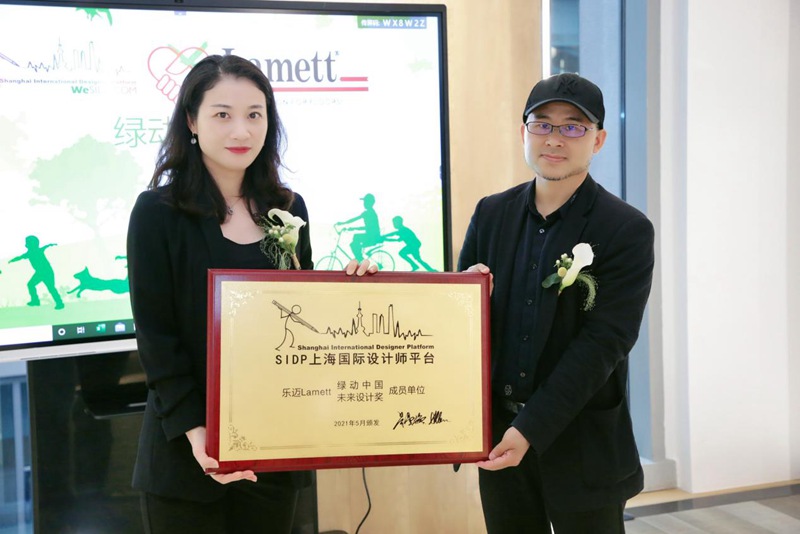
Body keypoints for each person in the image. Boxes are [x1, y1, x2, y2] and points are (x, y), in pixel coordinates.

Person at [127, 54, 376, 534]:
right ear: (191, 121)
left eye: (254, 115)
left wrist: (352, 291)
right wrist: (199, 435)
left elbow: (302, 318)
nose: (241, 130)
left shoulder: (288, 208)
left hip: (273, 448)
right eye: (222, 114)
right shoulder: (158, 212)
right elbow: (156, 336)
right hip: (186, 453)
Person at [458, 72, 655, 533]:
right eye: (542, 124)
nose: (554, 138)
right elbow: (461, 322)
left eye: (573, 126)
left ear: (598, 140)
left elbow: (604, 343)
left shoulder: (625, 229)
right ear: (523, 132)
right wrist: (465, 299)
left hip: (582, 442)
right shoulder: (491, 213)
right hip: (498, 438)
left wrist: (530, 428)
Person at [8, 235, 64, 309]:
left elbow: (45, 246)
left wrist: (50, 245)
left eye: (27, 243)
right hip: (40, 272)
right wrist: (12, 260)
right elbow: (20, 257)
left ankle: (59, 303)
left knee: (50, 288)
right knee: (31, 285)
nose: (26, 244)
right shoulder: (30, 253)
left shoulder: (36, 251)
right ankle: (36, 301)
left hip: (46, 272)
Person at [335, 193, 381, 261]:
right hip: (371, 235)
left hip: (373, 236)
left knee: (355, 240)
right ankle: (360, 258)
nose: (364, 203)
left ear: (370, 203)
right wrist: (343, 223)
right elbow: (355, 219)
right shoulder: (368, 212)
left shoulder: (370, 213)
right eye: (364, 202)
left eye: (365, 202)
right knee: (355, 240)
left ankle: (360, 259)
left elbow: (368, 227)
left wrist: (352, 228)